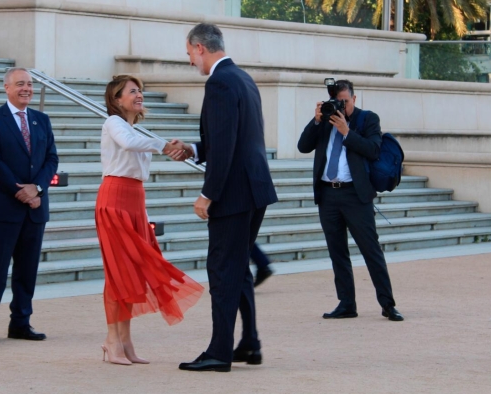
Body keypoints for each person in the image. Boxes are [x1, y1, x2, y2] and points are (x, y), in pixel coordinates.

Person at [172, 24, 278, 372]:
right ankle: (248, 343)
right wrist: (195, 149)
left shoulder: (218, 82)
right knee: (238, 267)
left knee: (221, 269)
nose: (190, 62)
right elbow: (232, 136)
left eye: (189, 53)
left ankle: (220, 351)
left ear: (200, 47)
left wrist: (207, 194)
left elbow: (227, 144)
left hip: (233, 193)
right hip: (255, 188)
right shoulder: (243, 78)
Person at [96, 74, 205, 365]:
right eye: (132, 91)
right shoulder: (114, 123)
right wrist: (164, 146)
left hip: (134, 201)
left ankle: (125, 341)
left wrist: (168, 148)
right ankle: (112, 340)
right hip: (115, 200)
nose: (139, 95)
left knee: (133, 272)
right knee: (118, 272)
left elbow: (138, 151)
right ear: (117, 99)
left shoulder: (137, 130)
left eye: (140, 91)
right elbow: (129, 143)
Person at [296, 79, 404, 322]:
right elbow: (303, 146)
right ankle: (346, 304)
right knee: (337, 252)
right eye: (337, 102)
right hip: (328, 194)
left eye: (344, 102)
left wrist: (347, 131)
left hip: (356, 195)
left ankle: (387, 304)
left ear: (354, 99)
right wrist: (316, 120)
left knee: (371, 251)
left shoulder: (368, 119)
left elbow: (374, 150)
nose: (341, 107)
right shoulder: (324, 120)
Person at [0, 67, 59, 344]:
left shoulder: (41, 120)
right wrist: (19, 190)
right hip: (5, 207)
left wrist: (37, 188)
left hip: (35, 208)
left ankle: (21, 321)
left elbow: (51, 160)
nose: (26, 88)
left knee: (27, 270)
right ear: (6, 87)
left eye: (30, 84)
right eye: (20, 84)